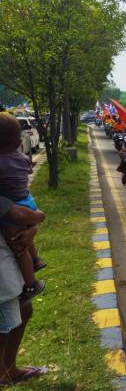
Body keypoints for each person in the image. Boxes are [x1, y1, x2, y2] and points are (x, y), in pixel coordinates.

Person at [0, 195, 47, 386]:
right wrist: (38, 219)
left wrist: (32, 226)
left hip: (8, 256)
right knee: (6, 326)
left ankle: (8, 370)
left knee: (24, 310)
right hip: (4, 266)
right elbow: (18, 213)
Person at [0, 114, 46, 300]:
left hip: (15, 207)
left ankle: (31, 284)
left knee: (19, 247)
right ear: (19, 141)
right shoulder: (22, 158)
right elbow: (29, 168)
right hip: (28, 201)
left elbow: (19, 215)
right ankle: (36, 259)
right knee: (27, 237)